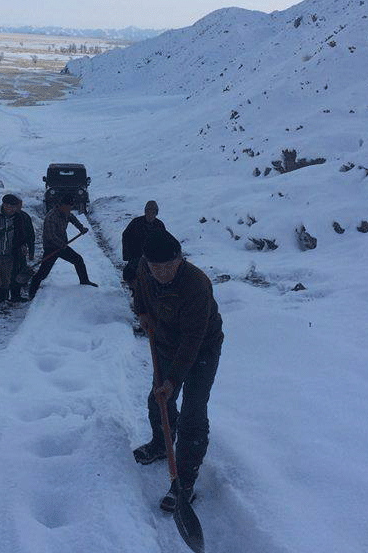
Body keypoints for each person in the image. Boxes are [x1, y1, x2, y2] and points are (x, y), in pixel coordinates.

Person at [131, 230, 223, 513]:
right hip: (165, 341)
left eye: (168, 267)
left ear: (180, 260)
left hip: (201, 348)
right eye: (155, 267)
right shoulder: (146, 270)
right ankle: (161, 444)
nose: (162, 273)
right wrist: (142, 311)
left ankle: (184, 482)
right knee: (158, 401)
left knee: (193, 413)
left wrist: (172, 380)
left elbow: (193, 339)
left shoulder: (196, 285)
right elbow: (140, 289)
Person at [27, 194, 97, 298]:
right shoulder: (51, 217)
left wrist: (81, 228)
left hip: (61, 245)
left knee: (78, 260)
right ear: (60, 205)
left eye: (70, 207)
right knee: (43, 273)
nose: (69, 209)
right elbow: (51, 236)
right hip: (51, 247)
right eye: (68, 206)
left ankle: (84, 281)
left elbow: (73, 219)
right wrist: (61, 244)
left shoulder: (66, 213)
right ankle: (32, 293)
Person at [121, 200, 166, 289]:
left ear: (156, 213)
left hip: (153, 257)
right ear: (145, 212)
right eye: (148, 211)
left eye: (153, 212)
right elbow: (126, 236)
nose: (150, 214)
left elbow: (165, 241)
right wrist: (128, 254)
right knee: (131, 273)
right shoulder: (136, 222)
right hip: (136, 255)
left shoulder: (159, 225)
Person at [9, 198, 36, 302]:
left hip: (20, 250)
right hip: (6, 250)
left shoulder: (25, 217)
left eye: (19, 205)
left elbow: (31, 235)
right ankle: (8, 295)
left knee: (20, 271)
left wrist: (31, 251)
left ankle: (16, 294)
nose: (17, 207)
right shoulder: (5, 217)